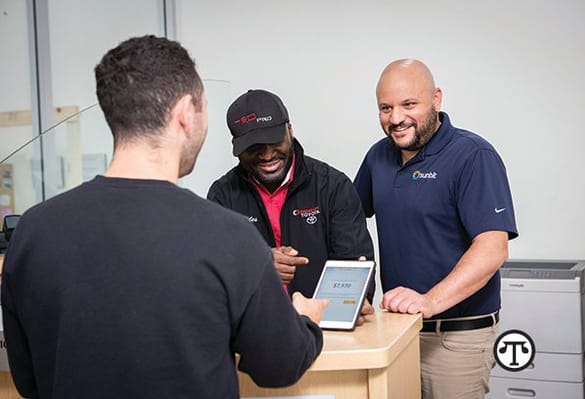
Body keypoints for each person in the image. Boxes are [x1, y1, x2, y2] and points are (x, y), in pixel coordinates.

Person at [1, 35, 328, 399]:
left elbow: (28, 380)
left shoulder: (32, 232)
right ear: (186, 114)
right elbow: (278, 366)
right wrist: (305, 321)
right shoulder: (227, 236)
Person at [353, 59, 518, 399]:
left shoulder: (473, 155)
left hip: (456, 337)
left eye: (408, 104)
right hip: (396, 331)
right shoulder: (377, 157)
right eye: (386, 108)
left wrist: (429, 301)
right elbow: (347, 223)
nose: (396, 118)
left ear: (437, 99)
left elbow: (493, 249)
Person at [207, 89, 376, 319]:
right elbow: (213, 273)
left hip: (326, 328)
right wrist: (258, 266)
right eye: (253, 148)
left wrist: (352, 302)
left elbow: (355, 265)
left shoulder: (333, 187)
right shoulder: (222, 196)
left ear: (290, 130)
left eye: (274, 141)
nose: (267, 156)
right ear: (235, 144)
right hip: (254, 335)